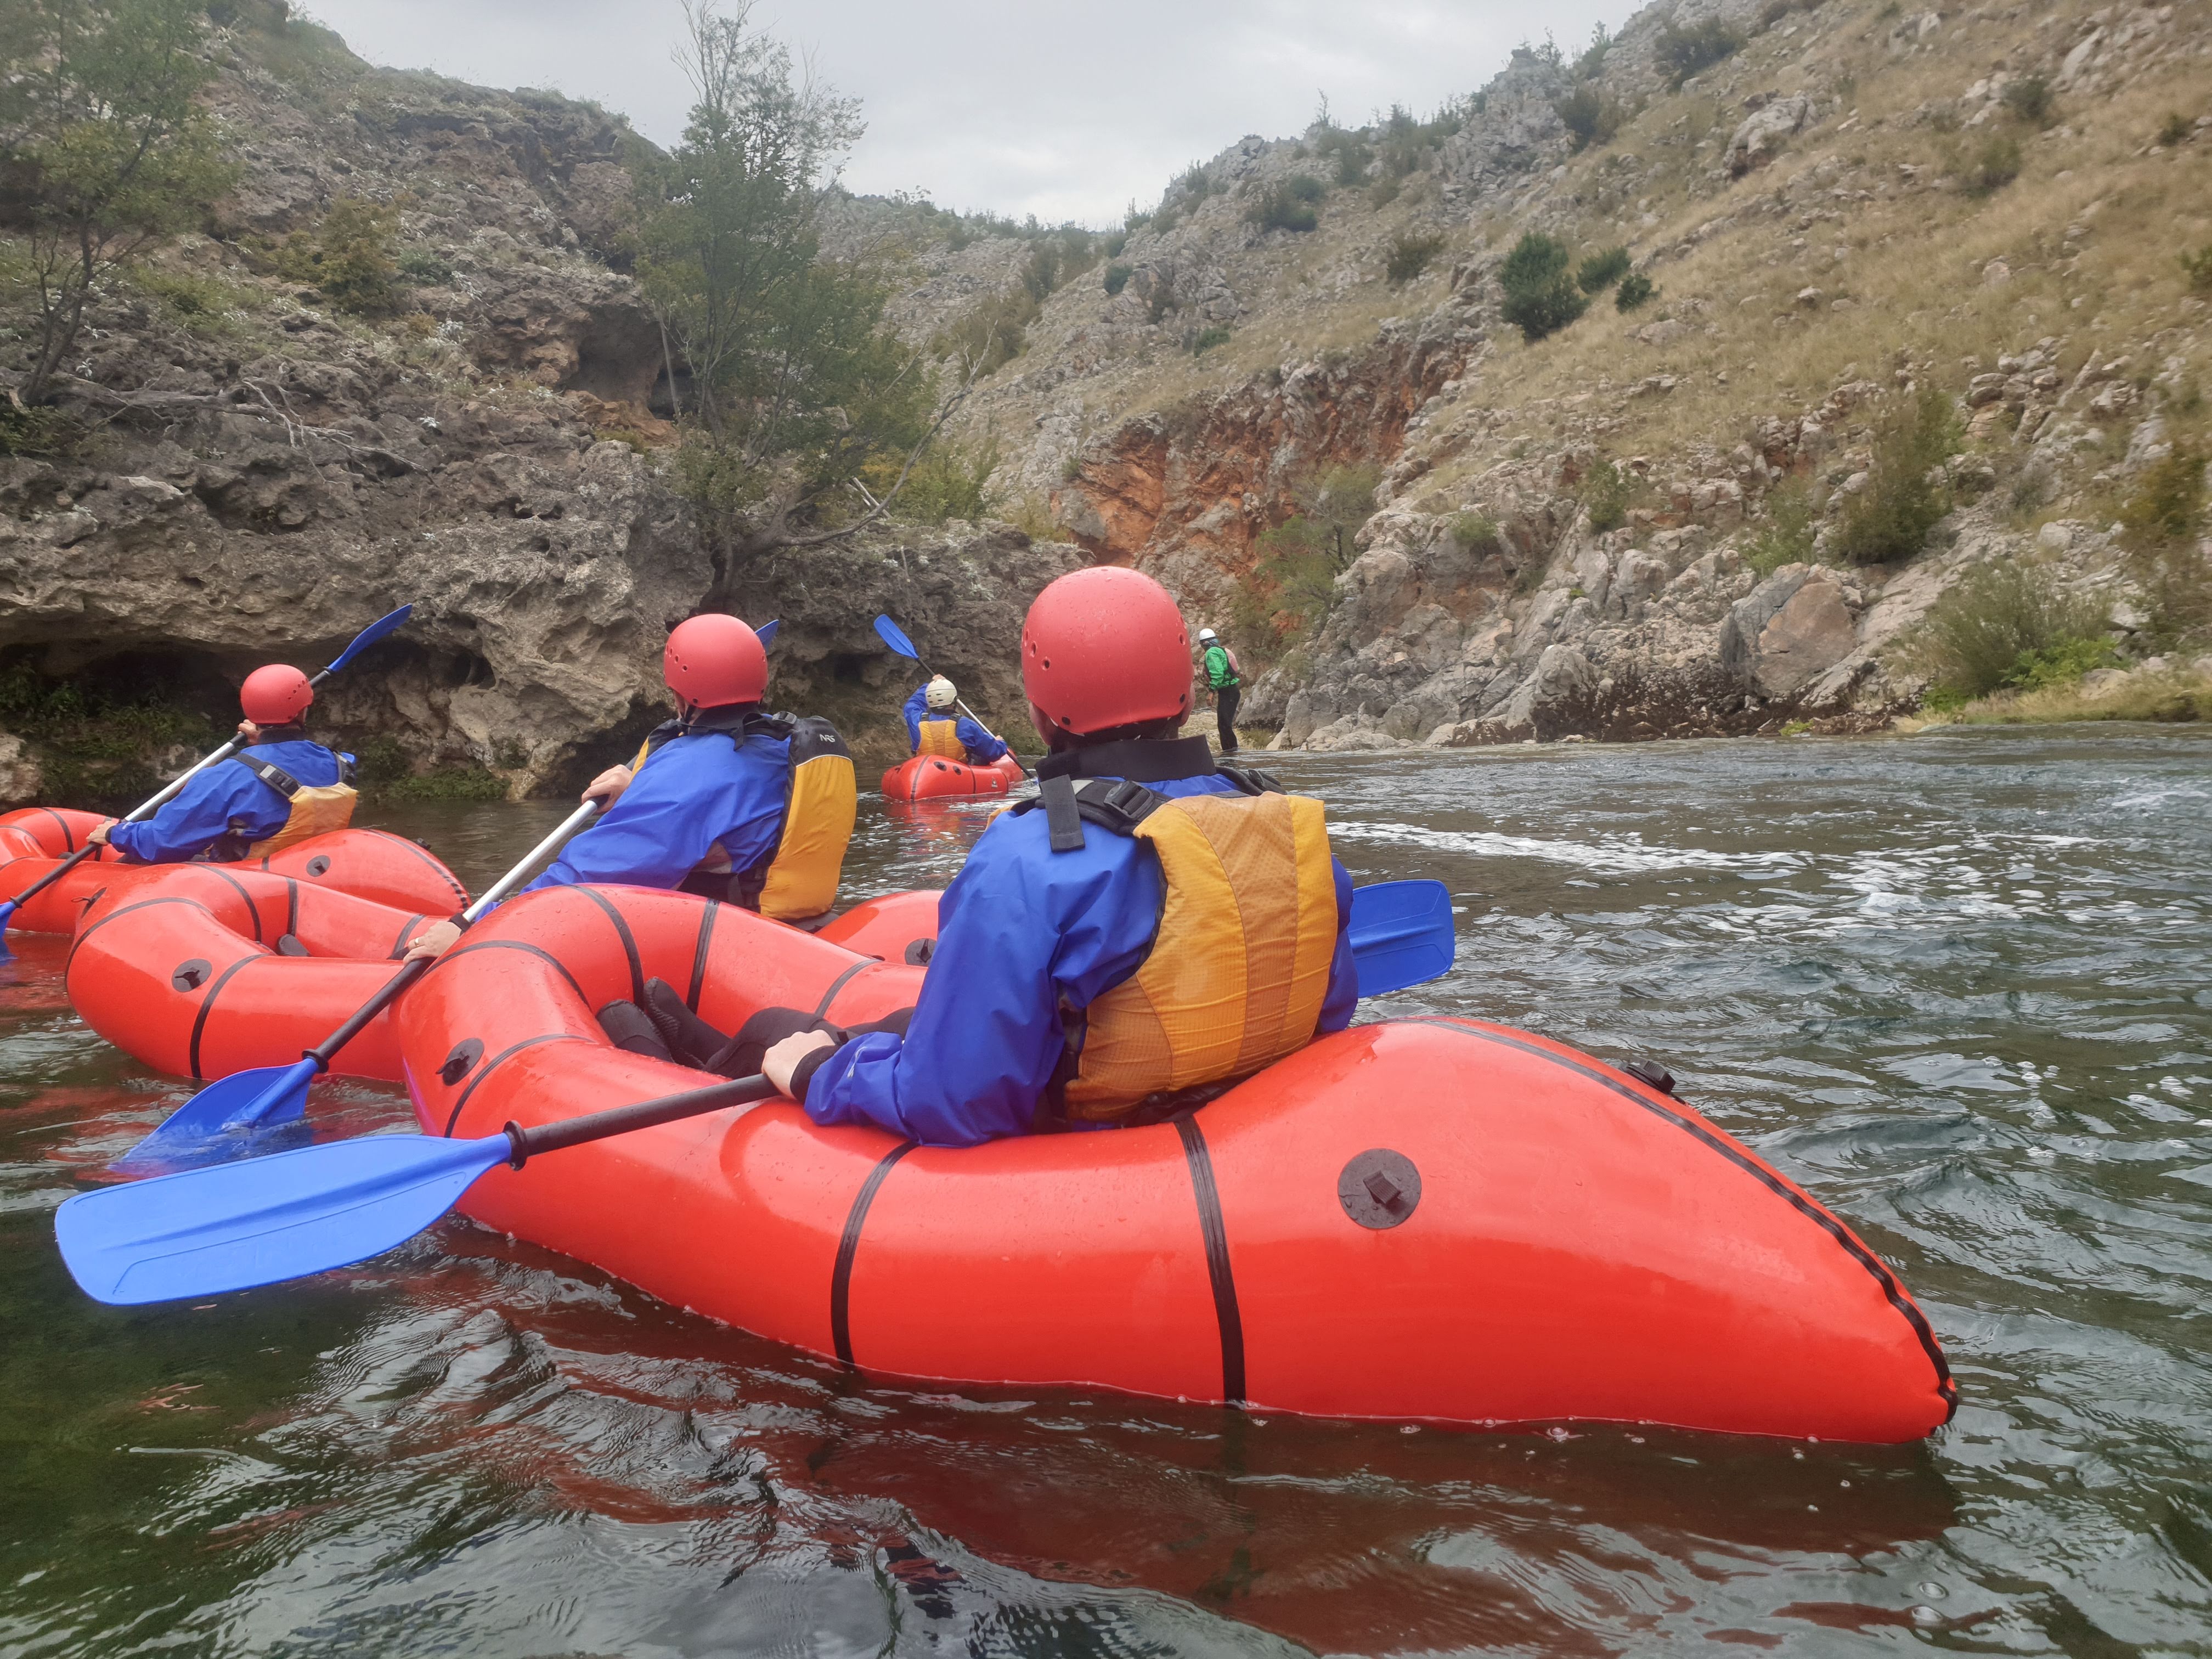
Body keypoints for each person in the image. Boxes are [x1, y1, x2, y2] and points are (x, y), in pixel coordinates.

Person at [742, 566, 1356, 1147]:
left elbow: (951, 1103)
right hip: (1249, 1138)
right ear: (1187, 694)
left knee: (775, 1033)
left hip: (1095, 1161)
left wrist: (823, 1072)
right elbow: (1330, 1011)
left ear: (1040, 715)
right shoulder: (1288, 827)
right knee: (897, 1024)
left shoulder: (1028, 855)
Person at [403, 613, 856, 960]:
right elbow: (723, 806)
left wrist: (475, 927)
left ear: (679, 688)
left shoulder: (689, 775)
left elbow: (586, 877)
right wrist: (640, 785)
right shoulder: (781, 743)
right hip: (796, 929)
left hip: (733, 947)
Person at [89, 664, 356, 863]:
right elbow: (290, 764)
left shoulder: (227, 777)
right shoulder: (341, 764)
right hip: (309, 872)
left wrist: (117, 834)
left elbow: (163, 840)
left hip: (242, 886)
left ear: (249, 710)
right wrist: (265, 743)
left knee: (129, 861)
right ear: (304, 709)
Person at [902, 675, 1008, 767]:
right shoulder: (965, 725)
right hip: (958, 774)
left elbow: (912, 705)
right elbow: (993, 752)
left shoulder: (917, 720)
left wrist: (929, 686)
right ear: (954, 701)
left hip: (925, 773)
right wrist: (1000, 743)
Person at [1198, 626, 1242, 754]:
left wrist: (1211, 692)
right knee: (1224, 724)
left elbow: (1218, 674)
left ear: (1203, 643)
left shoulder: (1211, 653)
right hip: (1231, 691)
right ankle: (1231, 751)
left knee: (1224, 725)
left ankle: (1231, 753)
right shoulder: (1219, 650)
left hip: (1228, 692)